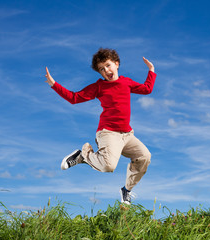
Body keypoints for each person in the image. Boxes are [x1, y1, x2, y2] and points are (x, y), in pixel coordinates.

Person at [45, 48, 156, 205]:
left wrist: (151, 70)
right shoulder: (99, 87)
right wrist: (54, 84)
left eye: (108, 66)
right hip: (108, 133)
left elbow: (147, 89)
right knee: (109, 166)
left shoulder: (126, 82)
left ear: (116, 64)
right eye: (101, 70)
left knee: (145, 156)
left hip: (127, 135)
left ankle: (126, 190)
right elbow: (74, 98)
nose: (106, 71)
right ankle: (83, 156)